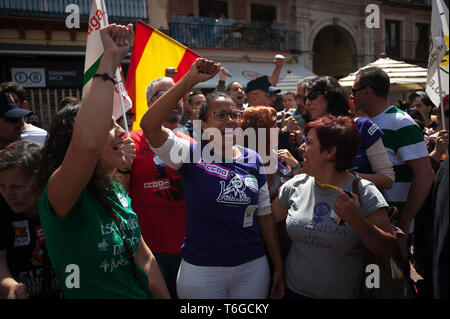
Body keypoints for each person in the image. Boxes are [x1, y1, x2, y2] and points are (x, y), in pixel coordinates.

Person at [36, 23, 170, 299]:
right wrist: (109, 58)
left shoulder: (115, 189)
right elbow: (87, 145)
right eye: (109, 126)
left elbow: (145, 260)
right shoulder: (62, 195)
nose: (123, 131)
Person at [140, 57, 285, 299]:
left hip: (252, 268)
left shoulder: (253, 159)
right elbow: (149, 125)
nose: (230, 121)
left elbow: (265, 216)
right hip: (201, 272)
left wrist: (278, 264)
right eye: (220, 115)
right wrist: (188, 80)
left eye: (234, 115)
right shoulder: (188, 153)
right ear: (203, 123)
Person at [271, 115, 397, 298]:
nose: (301, 148)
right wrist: (278, 267)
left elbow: (388, 249)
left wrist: (358, 221)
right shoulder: (295, 186)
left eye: (310, 143)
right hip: (293, 292)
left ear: (330, 152)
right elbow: (267, 224)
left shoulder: (364, 193)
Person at [351, 66, 435, 235]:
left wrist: (405, 220)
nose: (352, 96)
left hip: (393, 228)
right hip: (367, 225)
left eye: (355, 90)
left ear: (367, 91)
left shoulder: (401, 123)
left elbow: (425, 174)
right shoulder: (359, 123)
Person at [128, 76, 189, 299]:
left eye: (178, 95)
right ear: (150, 104)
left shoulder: (191, 143)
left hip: (190, 250)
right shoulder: (130, 142)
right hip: (149, 253)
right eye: (165, 95)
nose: (175, 100)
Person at [304, 76, 395, 190]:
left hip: (360, 205)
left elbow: (387, 180)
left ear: (329, 95)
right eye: (305, 99)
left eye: (312, 96)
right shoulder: (309, 135)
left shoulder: (362, 127)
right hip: (319, 206)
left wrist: (344, 178)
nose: (307, 103)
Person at [0, 141, 61, 299]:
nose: (8, 195)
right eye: (2, 186)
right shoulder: (2, 211)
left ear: (39, 180)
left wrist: (74, 287)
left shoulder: (62, 204)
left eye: (17, 187)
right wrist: (10, 286)